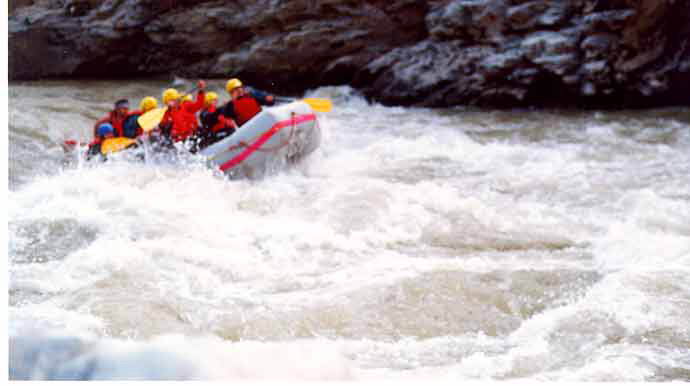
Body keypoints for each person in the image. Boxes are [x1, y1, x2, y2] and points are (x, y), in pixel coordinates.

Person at [158, 80, 206, 144]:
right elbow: (162, 126)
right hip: (179, 139)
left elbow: (199, 104)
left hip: (192, 134)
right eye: (170, 101)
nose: (173, 102)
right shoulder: (166, 113)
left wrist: (201, 91)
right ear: (166, 103)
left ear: (177, 98)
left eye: (174, 99)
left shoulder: (186, 105)